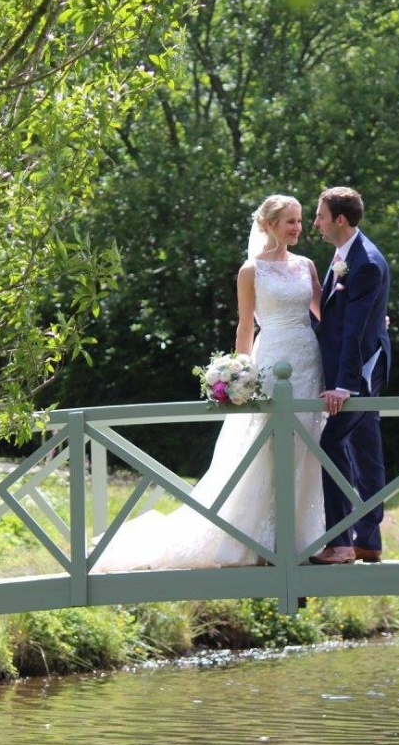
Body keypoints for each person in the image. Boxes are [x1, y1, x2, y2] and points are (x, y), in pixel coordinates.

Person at [92, 195, 327, 571]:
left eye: (299, 221)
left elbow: (323, 312)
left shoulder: (307, 266)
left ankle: (300, 539)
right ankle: (260, 539)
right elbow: (246, 325)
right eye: (289, 222)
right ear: (268, 224)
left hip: (308, 358)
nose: (298, 228)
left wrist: (367, 325)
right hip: (272, 358)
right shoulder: (250, 271)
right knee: (266, 446)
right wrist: (240, 374)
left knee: (307, 444)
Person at [309, 187, 391, 565]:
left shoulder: (365, 262)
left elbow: (355, 330)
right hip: (356, 369)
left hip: (359, 374)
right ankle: (368, 542)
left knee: (330, 444)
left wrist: (343, 385)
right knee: (366, 450)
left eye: (320, 216)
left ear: (340, 219)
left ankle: (341, 542)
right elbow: (343, 316)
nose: (316, 223)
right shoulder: (344, 256)